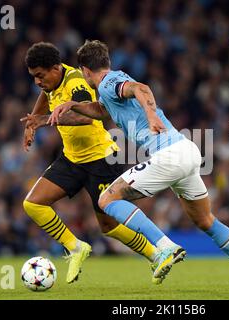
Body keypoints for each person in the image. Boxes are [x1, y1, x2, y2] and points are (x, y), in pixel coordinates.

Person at [48, 39, 229, 293]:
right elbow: (101, 110)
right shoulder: (109, 92)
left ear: (86, 71)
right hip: (186, 152)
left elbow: (140, 88)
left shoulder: (110, 82)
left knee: (106, 200)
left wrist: (152, 114)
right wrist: (73, 105)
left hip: (169, 156)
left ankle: (163, 245)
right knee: (205, 220)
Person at [21, 42, 168, 284]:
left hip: (101, 158)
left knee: (109, 226)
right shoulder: (51, 81)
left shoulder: (75, 81)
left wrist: (46, 120)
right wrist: (32, 121)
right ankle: (75, 247)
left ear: (56, 68)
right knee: (33, 204)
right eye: (34, 77)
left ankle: (156, 254)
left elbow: (85, 118)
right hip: (73, 158)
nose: (38, 81)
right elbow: (45, 95)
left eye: (40, 75)